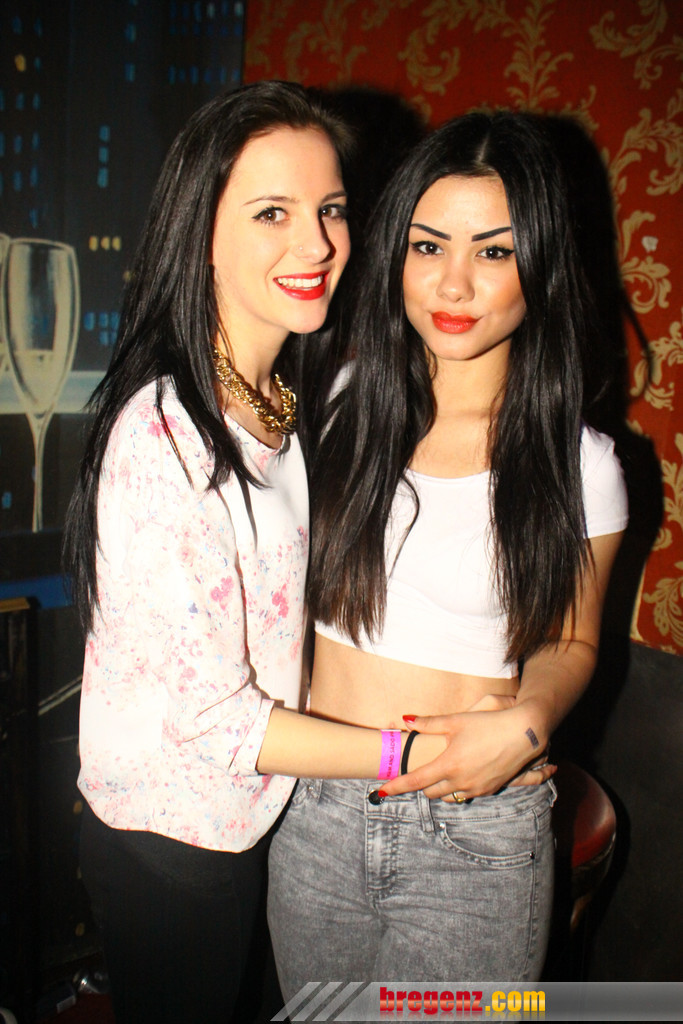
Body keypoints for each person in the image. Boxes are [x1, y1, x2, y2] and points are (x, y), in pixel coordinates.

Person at [63, 82, 450, 1024]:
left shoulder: (283, 398)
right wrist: (421, 755)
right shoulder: (164, 437)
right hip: (173, 837)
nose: (315, 244)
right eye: (272, 212)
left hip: (257, 812)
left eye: (330, 210)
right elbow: (218, 723)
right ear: (201, 231)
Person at [267, 110, 628, 988]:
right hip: (310, 808)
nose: (453, 283)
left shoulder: (579, 463)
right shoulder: (335, 404)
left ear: (540, 265)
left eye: (493, 252)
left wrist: (526, 724)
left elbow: (571, 639)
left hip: (471, 825)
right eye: (427, 246)